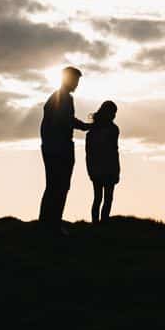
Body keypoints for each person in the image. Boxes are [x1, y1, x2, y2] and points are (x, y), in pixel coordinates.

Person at [38, 66, 91, 232]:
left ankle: (48, 222)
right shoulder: (64, 98)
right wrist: (85, 126)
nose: (77, 84)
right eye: (75, 80)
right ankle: (52, 224)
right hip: (59, 148)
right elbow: (66, 120)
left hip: (52, 147)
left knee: (54, 186)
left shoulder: (56, 97)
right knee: (59, 186)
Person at [86, 100, 120, 223]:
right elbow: (114, 151)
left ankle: (98, 224)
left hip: (99, 169)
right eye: (113, 113)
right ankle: (101, 224)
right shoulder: (113, 129)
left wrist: (90, 170)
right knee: (104, 198)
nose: (114, 116)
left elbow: (89, 154)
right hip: (105, 169)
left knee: (99, 198)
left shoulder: (92, 131)